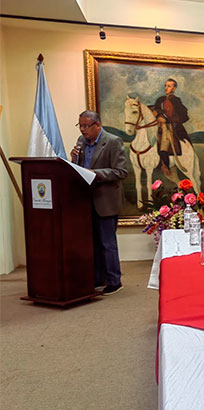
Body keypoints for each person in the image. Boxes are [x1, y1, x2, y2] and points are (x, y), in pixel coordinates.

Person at [70, 110, 128, 296]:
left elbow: (121, 171)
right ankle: (98, 278)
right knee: (92, 242)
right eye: (80, 125)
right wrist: (73, 160)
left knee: (107, 243)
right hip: (85, 201)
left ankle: (114, 281)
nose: (82, 129)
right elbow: (80, 169)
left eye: (86, 126)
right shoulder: (81, 141)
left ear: (97, 125)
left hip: (106, 200)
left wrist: (97, 173)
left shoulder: (113, 141)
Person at [153, 78, 191, 175]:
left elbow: (184, 116)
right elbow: (156, 110)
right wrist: (156, 113)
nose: (166, 88)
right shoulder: (160, 100)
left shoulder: (176, 101)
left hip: (170, 127)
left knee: (164, 143)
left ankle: (165, 165)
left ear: (174, 88)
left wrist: (167, 120)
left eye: (169, 86)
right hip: (157, 125)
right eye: (165, 86)